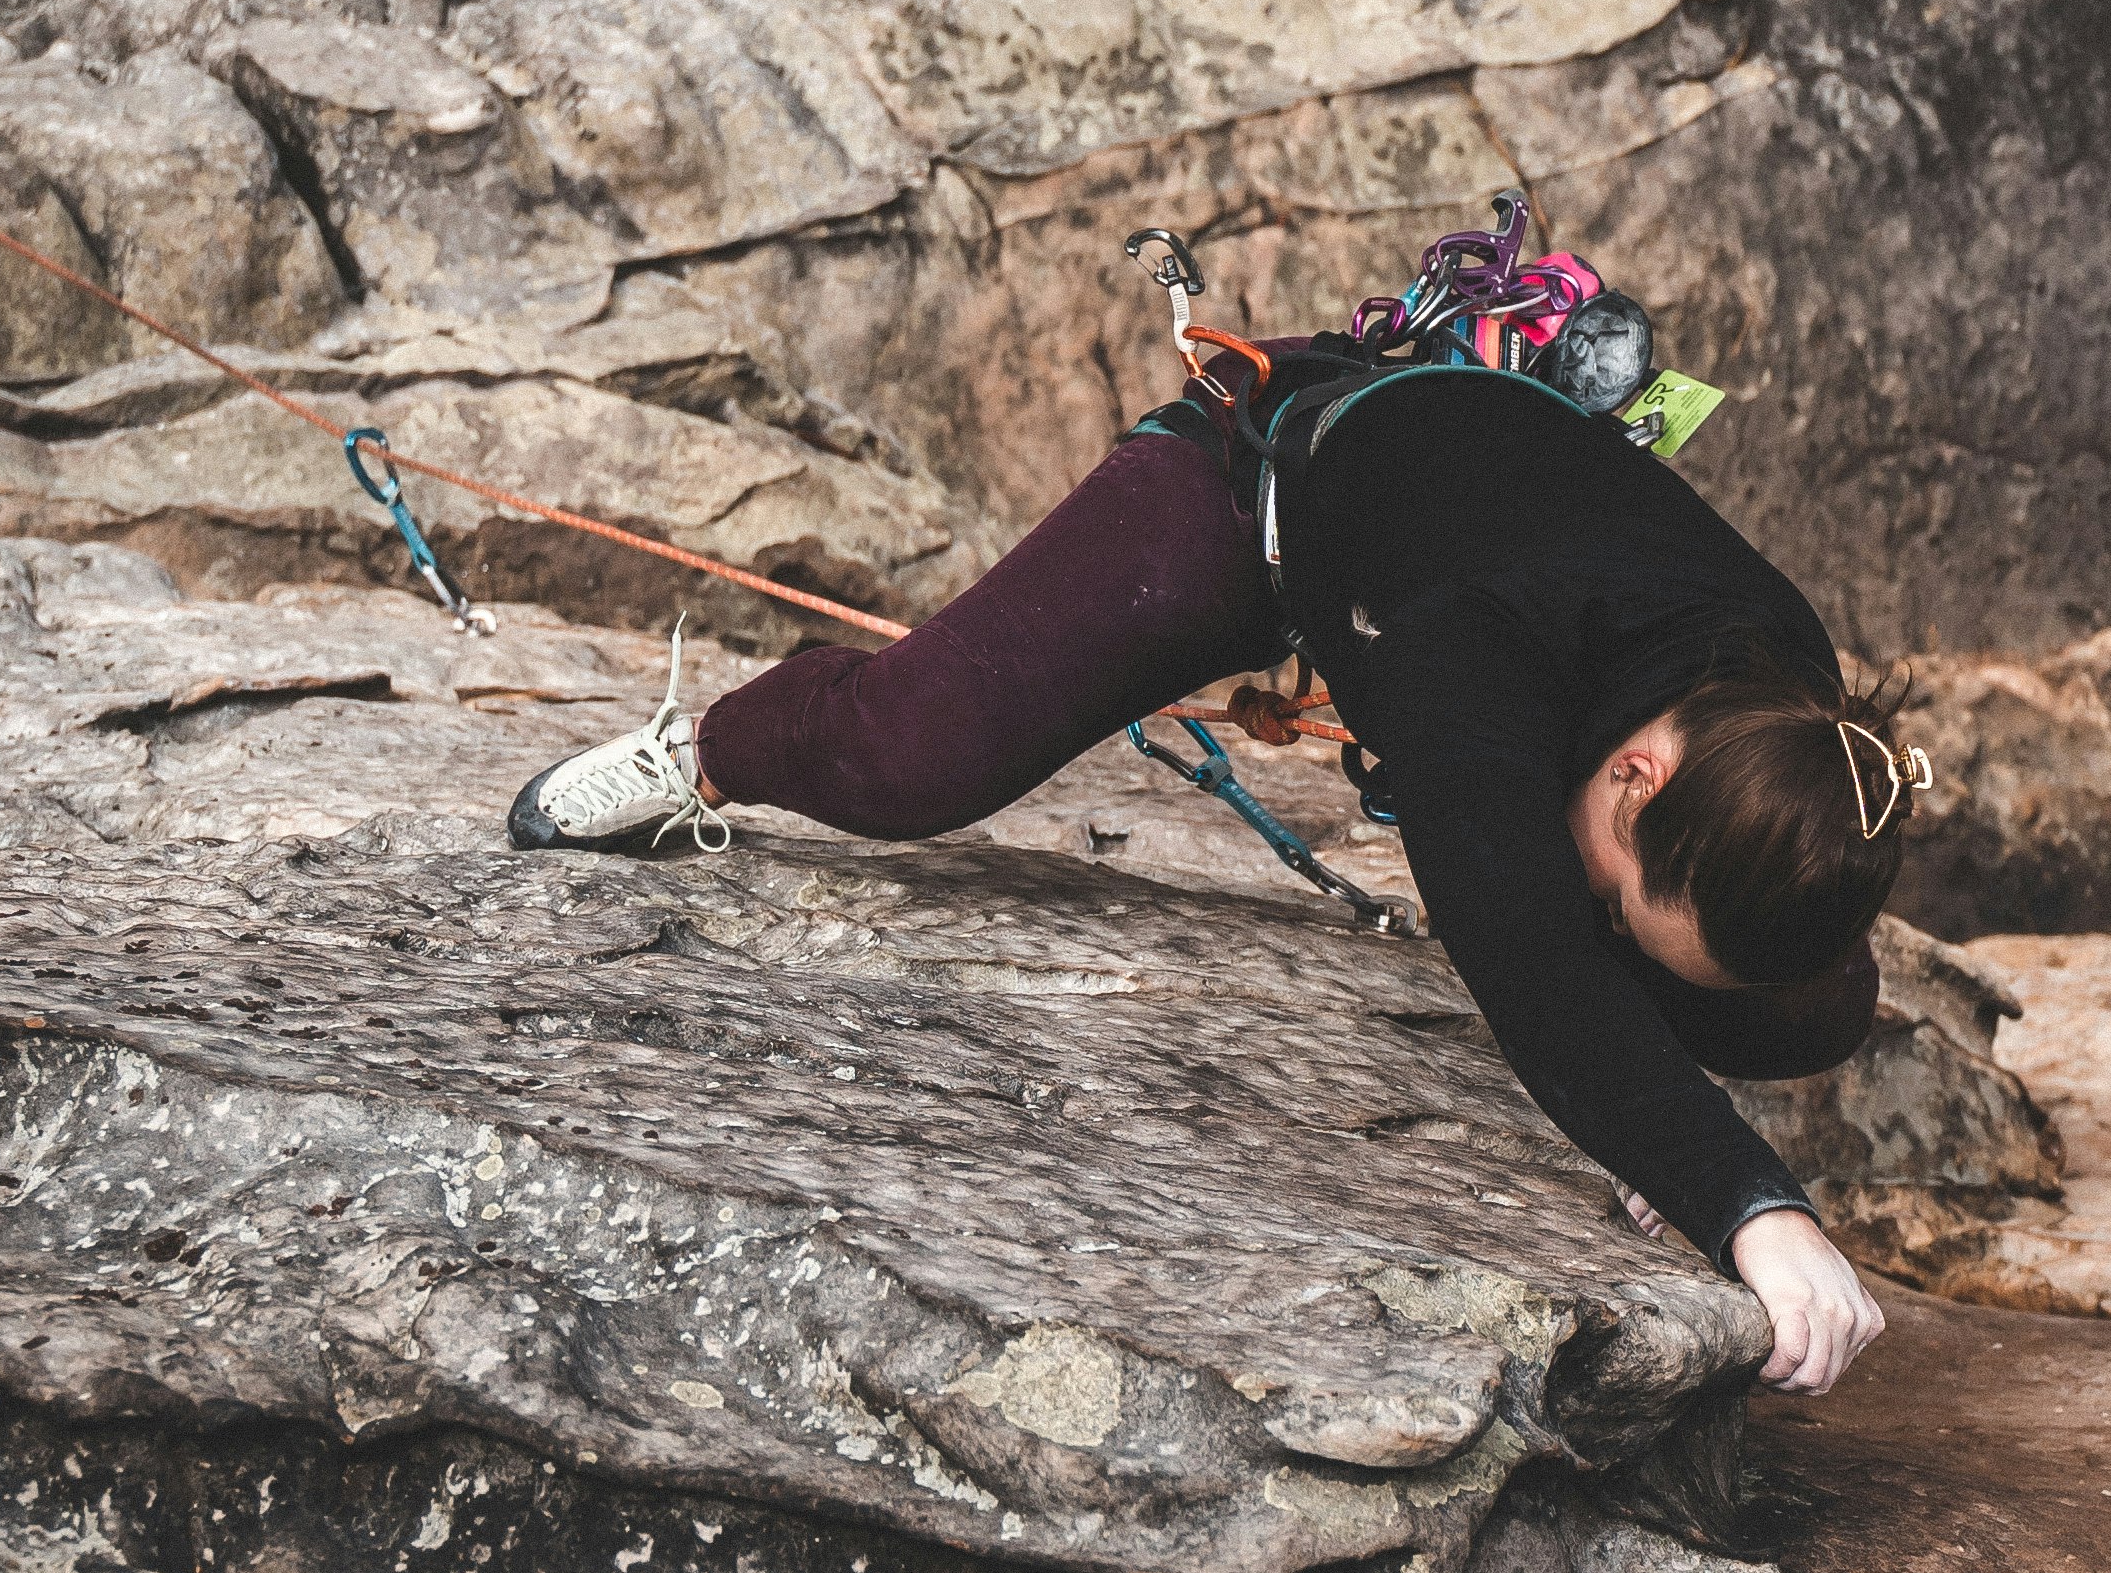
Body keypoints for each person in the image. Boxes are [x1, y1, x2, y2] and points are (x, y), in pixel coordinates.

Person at [509, 318, 1914, 1396]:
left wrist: (1666, 1122)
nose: (1599, 909)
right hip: (1258, 490)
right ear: (1637, 769)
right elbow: (1529, 950)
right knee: (916, 752)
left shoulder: (1779, 690)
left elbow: (1694, 928)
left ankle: (1658, 1033)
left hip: (1456, 520)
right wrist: (1747, 1200)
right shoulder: (1474, 660)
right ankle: (707, 750)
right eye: (1620, 885)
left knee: (1816, 1000)